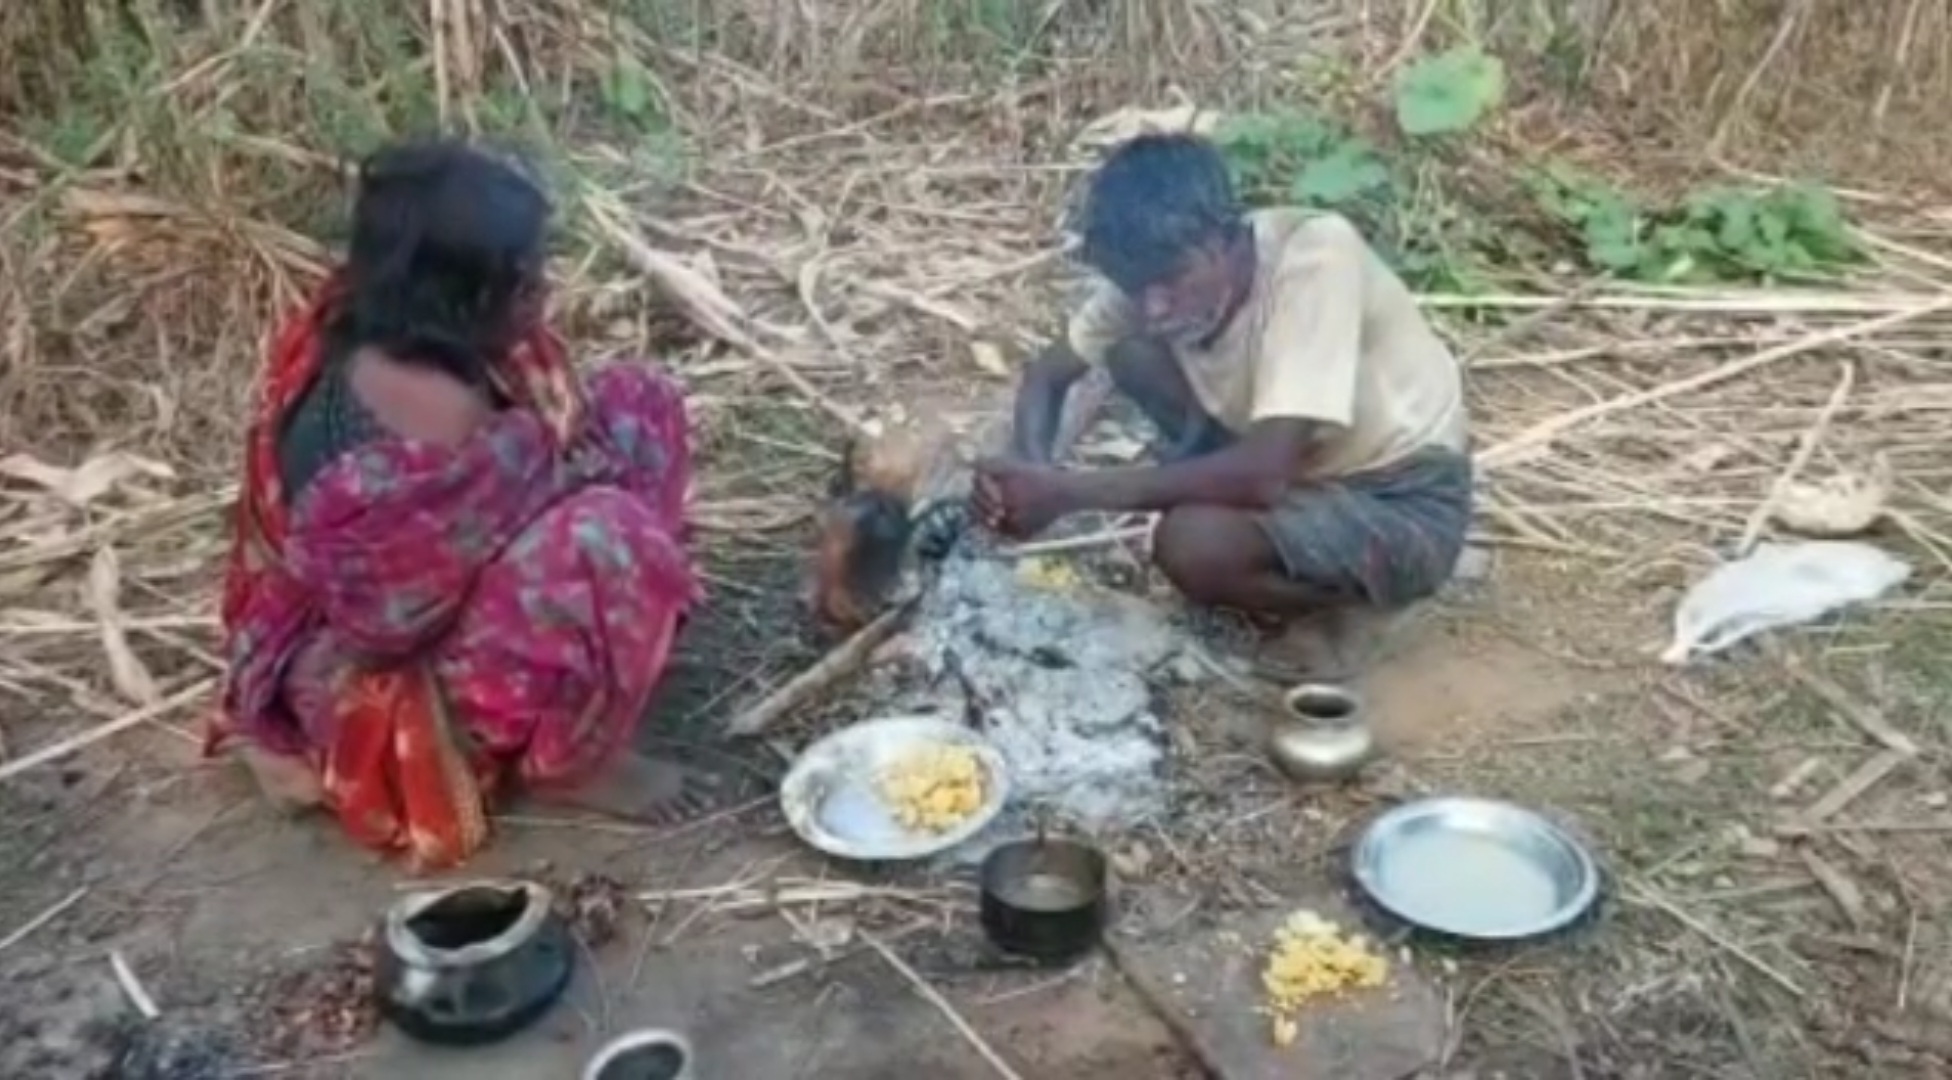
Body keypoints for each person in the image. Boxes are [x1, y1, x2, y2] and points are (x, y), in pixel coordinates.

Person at [209, 139, 715, 869]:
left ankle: (599, 657)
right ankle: (572, 763)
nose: (541, 292)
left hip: (457, 582)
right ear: (460, 296)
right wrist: (556, 503)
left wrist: (540, 487)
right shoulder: (407, 425)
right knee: (611, 540)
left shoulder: (409, 330)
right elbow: (386, 627)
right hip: (387, 673)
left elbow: (554, 447)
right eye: (522, 281)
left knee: (641, 401)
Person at [974, 133, 1471, 673]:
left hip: (1400, 497)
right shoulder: (1154, 270)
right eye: (1137, 287)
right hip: (1291, 461)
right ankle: (1232, 498)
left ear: (1223, 240)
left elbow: (1261, 477)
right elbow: (1048, 376)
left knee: (1191, 544)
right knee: (1132, 353)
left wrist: (1067, 493)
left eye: (1172, 281)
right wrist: (1025, 476)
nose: (1156, 305)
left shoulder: (1316, 259)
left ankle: (1353, 610)